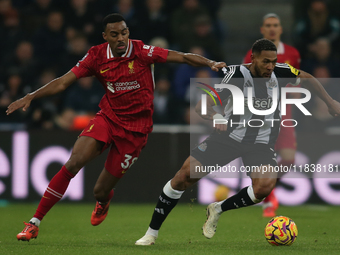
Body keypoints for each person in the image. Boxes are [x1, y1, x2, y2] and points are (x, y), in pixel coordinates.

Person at [8, 13, 226, 242]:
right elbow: (63, 81)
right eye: (115, 34)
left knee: (100, 191)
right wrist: (31, 96)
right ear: (106, 37)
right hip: (108, 118)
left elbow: (182, 57)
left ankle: (103, 202)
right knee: (73, 162)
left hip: (135, 131)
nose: (121, 38)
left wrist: (209, 63)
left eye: (124, 32)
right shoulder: (96, 56)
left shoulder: (142, 51)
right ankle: (34, 222)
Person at [135, 38, 340, 245]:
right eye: (265, 61)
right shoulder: (235, 76)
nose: (270, 66)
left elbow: (306, 77)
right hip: (228, 138)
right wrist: (216, 116)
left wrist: (330, 102)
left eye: (273, 61)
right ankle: (151, 233)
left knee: (263, 188)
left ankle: (218, 208)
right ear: (253, 58)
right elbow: (203, 106)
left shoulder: (280, 71)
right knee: (182, 177)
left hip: (261, 143)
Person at [243, 13, 301, 217]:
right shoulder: (253, 54)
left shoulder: (292, 53)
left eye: (275, 25)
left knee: (289, 158)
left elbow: (298, 80)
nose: (272, 28)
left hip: (284, 111)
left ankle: (269, 189)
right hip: (260, 112)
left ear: (281, 29)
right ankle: (268, 198)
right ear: (262, 29)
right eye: (268, 25)